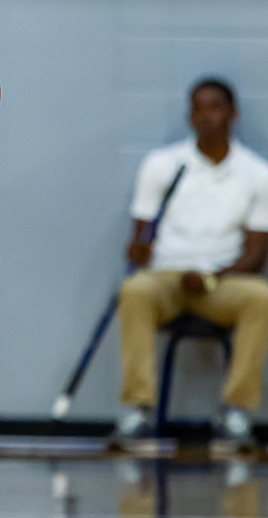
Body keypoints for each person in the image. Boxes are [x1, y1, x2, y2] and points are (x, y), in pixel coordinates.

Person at [112, 78, 268, 454]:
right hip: (167, 277)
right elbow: (141, 238)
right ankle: (138, 411)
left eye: (215, 108)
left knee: (261, 297)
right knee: (134, 290)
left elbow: (256, 256)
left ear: (232, 114)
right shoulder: (163, 165)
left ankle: (235, 413)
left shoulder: (256, 173)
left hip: (221, 280)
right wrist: (137, 249)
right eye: (197, 108)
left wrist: (211, 278)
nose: (205, 117)